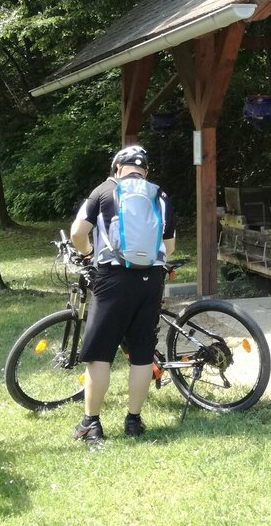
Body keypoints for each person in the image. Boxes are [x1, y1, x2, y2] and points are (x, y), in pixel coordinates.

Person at [69, 144, 175, 441]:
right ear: (145, 172)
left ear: (117, 169)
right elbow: (169, 246)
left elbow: (77, 232)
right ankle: (133, 421)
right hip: (150, 280)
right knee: (142, 353)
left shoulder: (104, 191)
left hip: (113, 279)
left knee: (100, 354)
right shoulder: (160, 196)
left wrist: (88, 253)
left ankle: (91, 423)